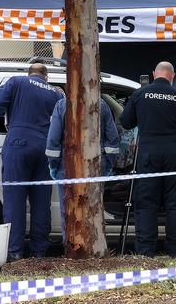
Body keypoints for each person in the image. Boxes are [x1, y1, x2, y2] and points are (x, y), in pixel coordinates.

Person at [119, 61, 176, 258]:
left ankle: (146, 252)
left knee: (146, 203)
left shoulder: (140, 94)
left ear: (154, 74)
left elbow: (125, 122)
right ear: (172, 75)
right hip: (175, 155)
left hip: (148, 155)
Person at [0, 63, 64, 262]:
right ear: (46, 77)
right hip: (46, 147)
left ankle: (15, 252)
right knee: (42, 201)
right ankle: (39, 251)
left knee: (15, 200)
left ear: (30, 73)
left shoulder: (16, 81)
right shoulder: (57, 93)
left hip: (19, 142)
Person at [45, 96, 120, 243]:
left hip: (67, 165)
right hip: (96, 164)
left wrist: (53, 166)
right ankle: (93, 245)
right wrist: (107, 165)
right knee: (93, 208)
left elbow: (53, 140)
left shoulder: (61, 105)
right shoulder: (102, 104)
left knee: (68, 209)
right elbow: (113, 138)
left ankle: (71, 247)